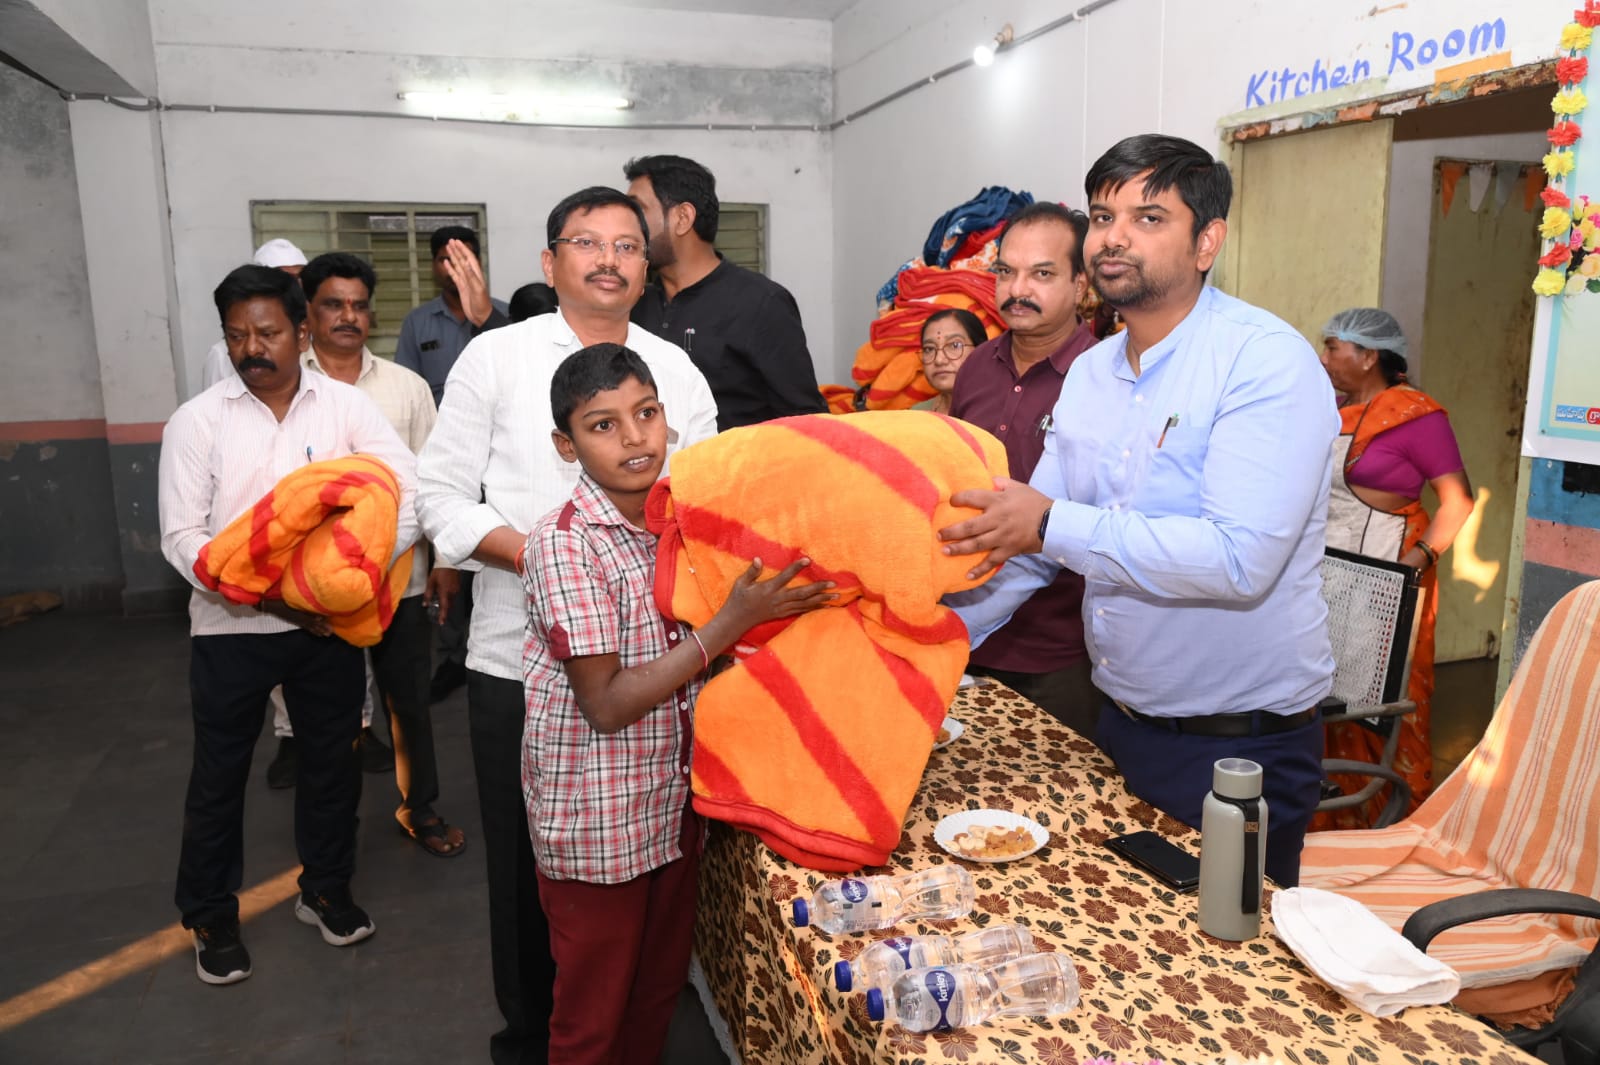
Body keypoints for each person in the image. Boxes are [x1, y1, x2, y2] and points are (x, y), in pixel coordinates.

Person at [939, 134, 1338, 887]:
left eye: (1148, 218)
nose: (1114, 237)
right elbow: (1031, 544)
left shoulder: (1263, 362)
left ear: (1207, 241)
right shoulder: (1092, 372)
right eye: (1102, 216)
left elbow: (1238, 561)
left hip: (1238, 747)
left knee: (1226, 950)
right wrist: (930, 639)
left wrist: (1049, 523)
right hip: (1118, 724)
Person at [416, 185, 718, 1065]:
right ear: (550, 262)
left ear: (647, 268)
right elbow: (439, 497)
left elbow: (704, 504)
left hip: (655, 674)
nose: (609, 259)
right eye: (587, 242)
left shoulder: (676, 370)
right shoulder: (495, 357)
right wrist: (549, 561)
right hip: (515, 665)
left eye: (627, 245)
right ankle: (532, 1041)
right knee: (527, 880)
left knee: (654, 875)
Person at [524, 343, 831, 1064]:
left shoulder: (680, 523)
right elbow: (606, 703)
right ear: (566, 445)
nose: (634, 438)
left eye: (646, 413)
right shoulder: (565, 544)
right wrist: (731, 622)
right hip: (599, 823)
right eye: (603, 425)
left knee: (656, 993)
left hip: (669, 805)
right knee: (592, 1019)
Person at [158, 264, 418, 984]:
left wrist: (352, 580)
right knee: (219, 775)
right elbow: (181, 536)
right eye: (237, 334)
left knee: (332, 766)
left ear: (301, 333)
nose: (252, 347)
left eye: (267, 332)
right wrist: (273, 598)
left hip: (327, 629)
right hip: (230, 631)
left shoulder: (345, 408)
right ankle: (209, 914)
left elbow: (403, 489)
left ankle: (326, 889)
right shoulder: (198, 420)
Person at [281, 251, 467, 855]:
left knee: (409, 703)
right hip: (313, 587)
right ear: (307, 312)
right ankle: (333, 833)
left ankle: (421, 809)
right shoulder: (286, 385)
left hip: (399, 579)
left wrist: (444, 562)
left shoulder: (404, 387)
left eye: (359, 306)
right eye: (333, 304)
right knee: (327, 713)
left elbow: (437, 482)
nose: (348, 317)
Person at [946, 203, 1100, 739]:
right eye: (1006, 272)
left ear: (1081, 285)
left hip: (1057, 651)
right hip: (960, 635)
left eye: (1042, 274)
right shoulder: (975, 367)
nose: (1017, 289)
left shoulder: (1104, 380)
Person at [1318, 307, 1474, 822]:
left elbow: (1458, 501)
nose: (1324, 358)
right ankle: (1330, 815)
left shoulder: (1417, 416)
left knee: (1377, 699)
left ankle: (1385, 817)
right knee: (1326, 693)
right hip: (1330, 576)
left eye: (1333, 347)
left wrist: (1412, 567)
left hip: (1389, 578)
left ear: (1368, 356)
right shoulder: (1330, 411)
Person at [624, 154, 826, 428]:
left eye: (638, 211)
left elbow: (806, 420)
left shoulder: (761, 303)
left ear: (683, 218)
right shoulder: (636, 304)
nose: (627, 226)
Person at [394, 227, 508, 702]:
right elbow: (407, 390)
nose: (451, 267)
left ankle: (489, 647)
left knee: (495, 554)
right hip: (446, 458)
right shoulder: (418, 323)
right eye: (443, 258)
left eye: (461, 258)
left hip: (498, 459)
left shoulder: (502, 317)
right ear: (432, 265)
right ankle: (452, 655)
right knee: (449, 556)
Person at [200, 239, 308, 388]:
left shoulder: (315, 341)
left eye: (299, 278)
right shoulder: (220, 355)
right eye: (286, 278)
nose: (296, 286)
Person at [916, 308, 985, 414]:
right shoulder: (917, 414)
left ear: (982, 350)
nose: (939, 360)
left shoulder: (1001, 410)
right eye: (929, 349)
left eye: (954, 345)